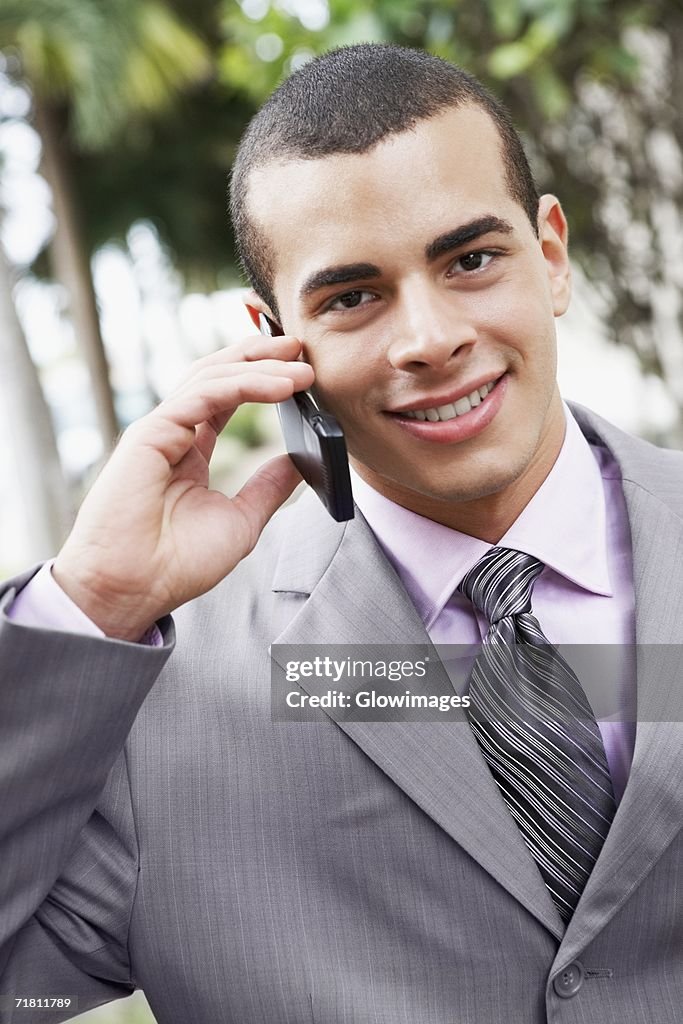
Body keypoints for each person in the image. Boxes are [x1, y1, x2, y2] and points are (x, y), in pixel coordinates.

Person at [1, 42, 681, 1024]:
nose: (427, 339)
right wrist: (88, 606)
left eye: (469, 258)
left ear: (549, 255)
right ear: (273, 336)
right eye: (352, 295)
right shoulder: (157, 695)